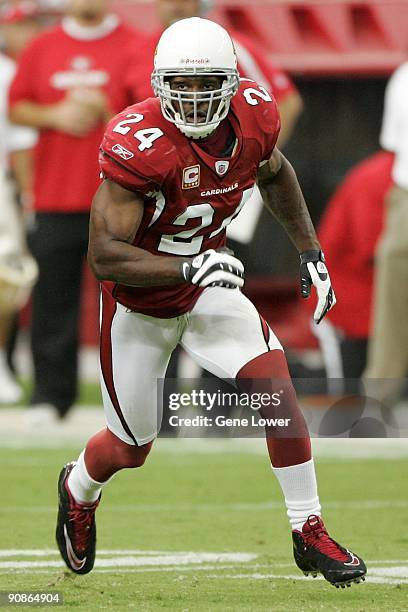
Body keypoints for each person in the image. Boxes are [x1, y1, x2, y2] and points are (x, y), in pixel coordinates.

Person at [55, 18, 366, 587]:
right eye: (182, 84)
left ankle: (307, 527)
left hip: (208, 288)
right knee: (130, 447)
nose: (194, 99)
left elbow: (274, 171)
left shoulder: (254, 114)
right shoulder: (138, 144)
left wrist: (309, 250)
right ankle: (78, 487)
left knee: (277, 390)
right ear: (158, 83)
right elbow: (104, 254)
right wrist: (187, 265)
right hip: (139, 306)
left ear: (230, 82)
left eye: (207, 85)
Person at [8, 0, 139, 421]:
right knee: (52, 303)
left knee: (133, 303)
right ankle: (50, 396)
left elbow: (155, 116)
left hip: (120, 199)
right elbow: (16, 106)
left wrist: (106, 113)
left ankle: (130, 398)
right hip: (54, 196)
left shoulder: (135, 46)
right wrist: (56, 113)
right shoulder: (41, 46)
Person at [310, 151, 393, 389]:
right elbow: (375, 249)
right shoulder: (377, 176)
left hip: (378, 296)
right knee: (352, 399)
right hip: (350, 299)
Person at [364, 61, 408, 392]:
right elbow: (395, 147)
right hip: (405, 196)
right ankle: (380, 395)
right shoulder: (403, 77)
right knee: (392, 298)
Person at [0, 47, 38, 403]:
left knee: (6, 280)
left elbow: (20, 141)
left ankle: (0, 364)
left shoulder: (8, 70)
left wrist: (27, 195)